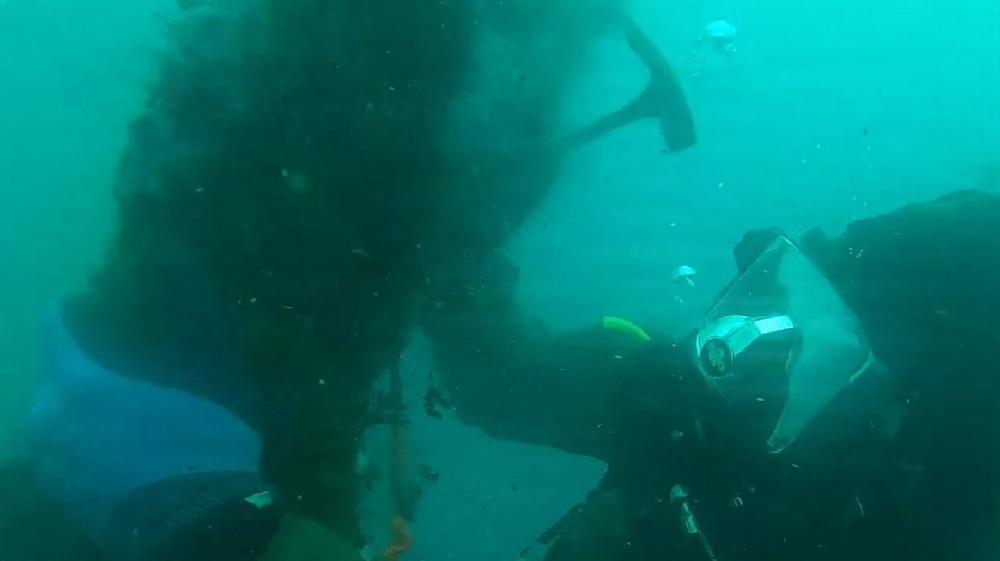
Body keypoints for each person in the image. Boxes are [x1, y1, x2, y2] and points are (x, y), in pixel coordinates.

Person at [10, 1, 697, 561]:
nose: (550, 145)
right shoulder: (355, 134)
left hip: (125, 445)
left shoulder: (397, 162)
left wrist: (668, 377)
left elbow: (495, 367)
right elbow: (296, 378)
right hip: (156, 481)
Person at [419, 189, 1000, 561]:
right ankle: (440, 225)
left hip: (801, 503)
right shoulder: (971, 228)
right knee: (504, 384)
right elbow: (834, 256)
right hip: (718, 399)